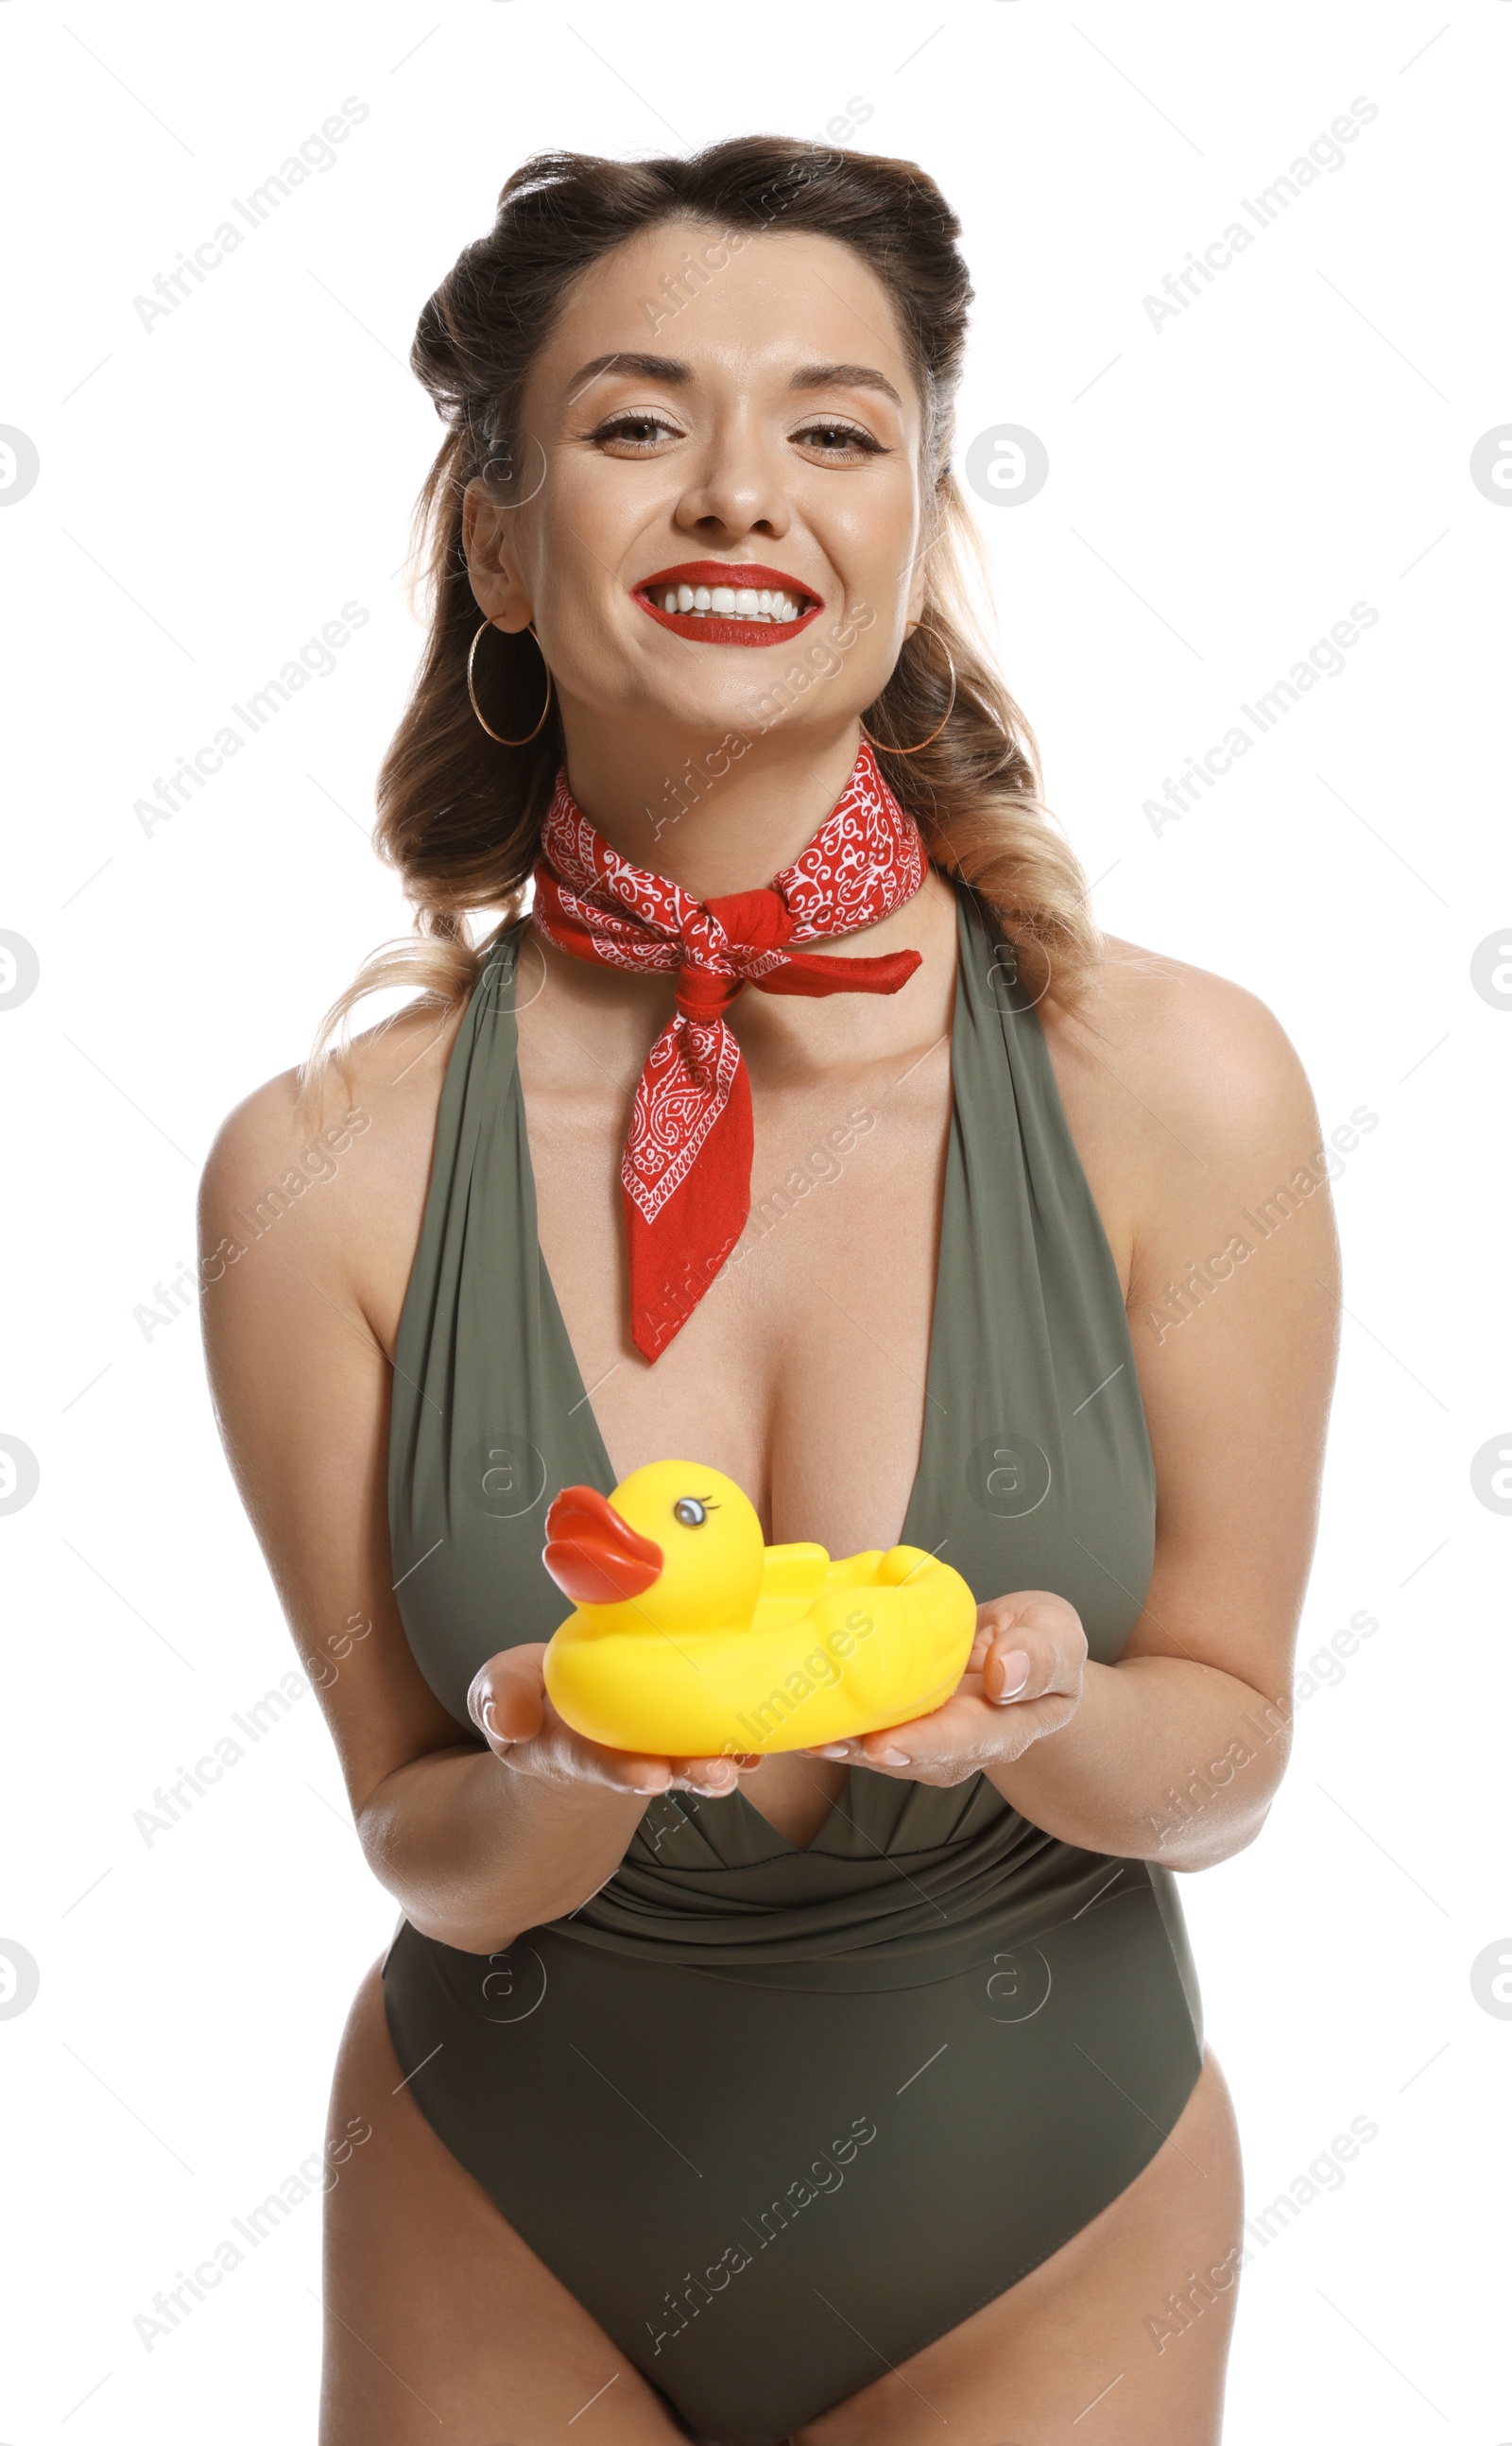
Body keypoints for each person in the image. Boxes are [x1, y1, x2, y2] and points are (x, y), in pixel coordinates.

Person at [199, 137, 1340, 2446]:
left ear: (915, 525)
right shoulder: (312, 1179)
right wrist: (557, 1761)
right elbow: (417, 1835)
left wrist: (1043, 1710)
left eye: (833, 429)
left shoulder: (1176, 1086)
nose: (742, 495)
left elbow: (1222, 1746)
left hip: (1049, 2204)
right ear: (498, 543)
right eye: (637, 425)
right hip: (496, 2195)